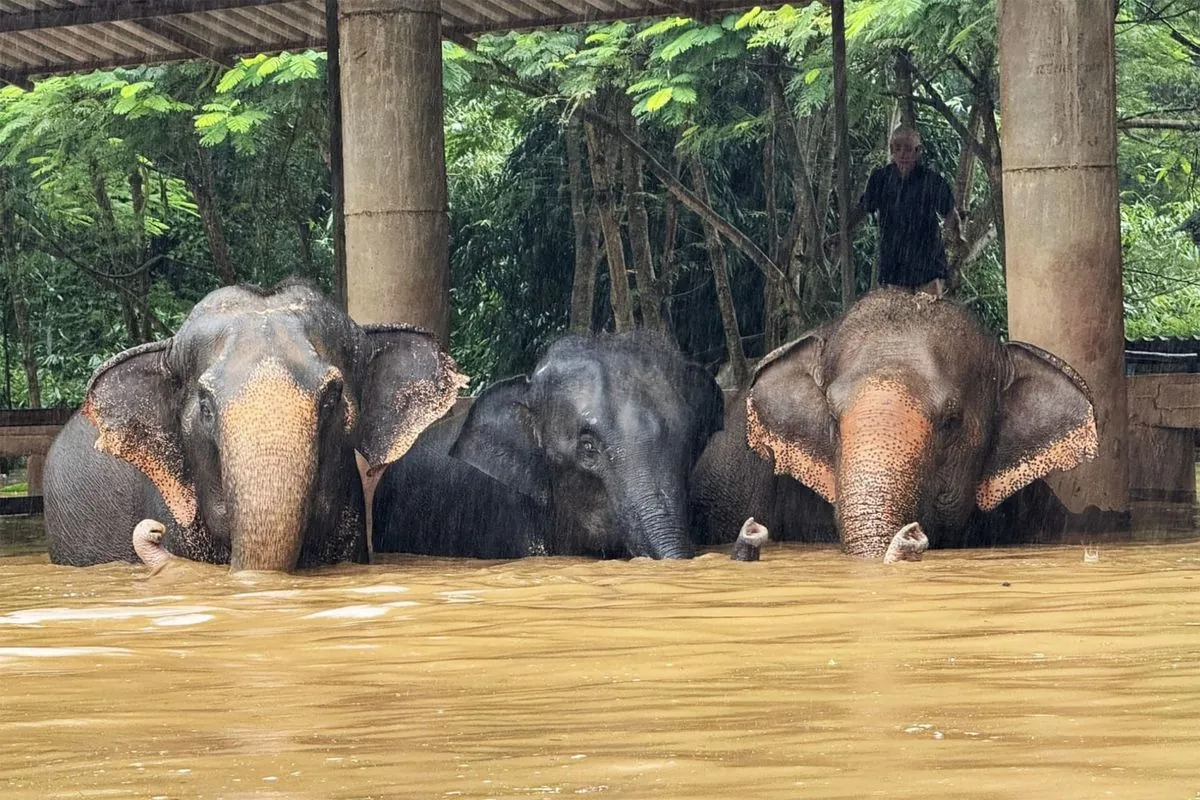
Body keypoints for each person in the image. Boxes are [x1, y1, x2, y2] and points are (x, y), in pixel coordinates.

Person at [844, 126, 964, 296]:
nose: (902, 154)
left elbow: (950, 212)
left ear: (917, 151)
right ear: (891, 149)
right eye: (897, 148)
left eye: (908, 149)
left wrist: (958, 236)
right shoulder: (880, 179)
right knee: (900, 318)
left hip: (927, 262)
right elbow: (864, 207)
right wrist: (844, 231)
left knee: (930, 315)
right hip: (895, 263)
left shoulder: (932, 180)